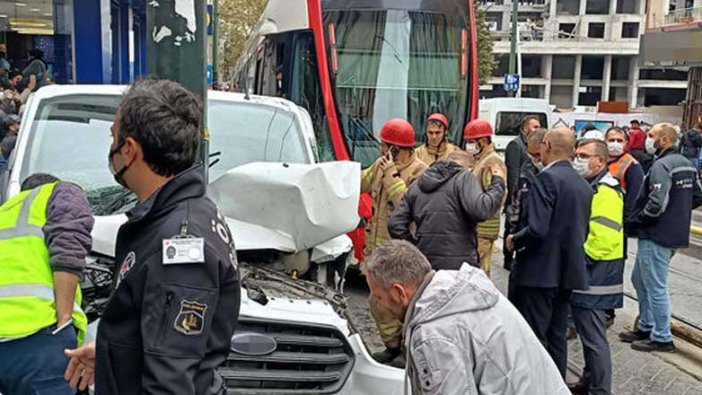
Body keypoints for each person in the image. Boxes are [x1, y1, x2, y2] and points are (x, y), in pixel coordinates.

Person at [63, 79, 240, 394]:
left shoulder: (180, 244)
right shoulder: (186, 210)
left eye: (113, 137)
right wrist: (112, 354)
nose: (112, 147)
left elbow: (170, 381)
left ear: (129, 149)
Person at [364, 240, 570, 395]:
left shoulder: (434, 333)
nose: (378, 305)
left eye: (379, 296)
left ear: (399, 293)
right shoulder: (457, 292)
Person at [506, 128, 592, 377]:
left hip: (539, 274)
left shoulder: (546, 179)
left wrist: (515, 239)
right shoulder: (582, 184)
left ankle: (536, 384)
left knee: (532, 336)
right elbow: (581, 231)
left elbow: (537, 228)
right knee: (557, 336)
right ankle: (556, 383)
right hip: (567, 273)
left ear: (546, 145)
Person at [0, 173, 94, 395]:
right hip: (37, 339)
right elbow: (68, 248)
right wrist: (63, 321)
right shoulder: (59, 191)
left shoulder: (4, 212)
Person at [620, 123, 702, 353]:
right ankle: (646, 325)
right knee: (639, 279)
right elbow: (697, 195)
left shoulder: (661, 165)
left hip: (657, 234)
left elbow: (656, 204)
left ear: (664, 140)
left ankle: (662, 336)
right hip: (674, 233)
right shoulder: (687, 164)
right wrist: (680, 211)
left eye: (651, 135)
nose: (647, 139)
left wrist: (637, 220)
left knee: (655, 286)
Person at [361, 118, 426, 365]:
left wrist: (391, 176)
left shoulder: (420, 171)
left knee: (403, 305)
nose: (381, 150)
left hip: (401, 254)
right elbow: (362, 181)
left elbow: (408, 206)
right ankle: (393, 346)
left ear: (396, 148)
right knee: (378, 304)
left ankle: (409, 350)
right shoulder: (381, 165)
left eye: (384, 145)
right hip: (378, 251)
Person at [568, 139, 625, 395]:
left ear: (599, 161)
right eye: (576, 154)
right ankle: (588, 381)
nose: (577, 159)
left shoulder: (605, 191)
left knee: (594, 338)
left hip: (597, 275)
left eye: (583, 155)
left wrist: (579, 264)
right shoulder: (594, 186)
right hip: (595, 272)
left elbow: (603, 238)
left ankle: (600, 390)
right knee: (589, 333)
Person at [389, 150, 506, 270]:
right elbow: (481, 210)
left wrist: (416, 248)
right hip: (460, 267)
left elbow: (395, 224)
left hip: (426, 266)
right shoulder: (464, 178)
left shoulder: (418, 184)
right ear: (470, 168)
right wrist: (498, 182)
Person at [604, 126, 644, 326]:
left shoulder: (632, 166)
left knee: (613, 269)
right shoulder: (602, 161)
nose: (615, 144)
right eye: (611, 139)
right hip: (598, 226)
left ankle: (608, 311)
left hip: (618, 228)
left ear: (626, 143)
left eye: (619, 140)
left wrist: (625, 226)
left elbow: (634, 200)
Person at [505, 128, 547, 299]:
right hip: (523, 240)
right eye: (530, 154)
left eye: (536, 155)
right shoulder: (527, 170)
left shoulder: (553, 176)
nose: (534, 159)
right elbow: (516, 204)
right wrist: (512, 233)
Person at [465, 119, 508, 277]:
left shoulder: (492, 161)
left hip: (483, 229)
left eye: (471, 142)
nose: (468, 146)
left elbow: (496, 196)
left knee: (480, 274)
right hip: (479, 229)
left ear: (482, 141)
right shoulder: (481, 160)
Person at [503, 115, 541, 270]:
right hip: (518, 193)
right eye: (535, 127)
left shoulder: (535, 144)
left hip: (528, 193)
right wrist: (514, 198)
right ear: (525, 128)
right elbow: (513, 172)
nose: (537, 129)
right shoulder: (516, 145)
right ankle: (507, 257)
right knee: (511, 225)